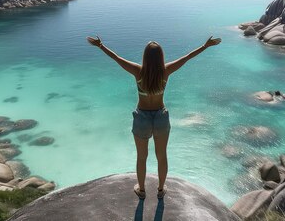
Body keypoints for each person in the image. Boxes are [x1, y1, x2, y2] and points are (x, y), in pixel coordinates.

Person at [87, 35, 221, 199]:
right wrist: (205, 46)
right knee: (162, 156)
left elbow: (116, 58)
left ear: (145, 56)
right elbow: (187, 57)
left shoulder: (138, 71)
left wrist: (101, 46)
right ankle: (160, 190)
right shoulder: (166, 71)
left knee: (141, 157)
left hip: (142, 117)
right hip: (160, 118)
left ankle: (142, 190)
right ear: (160, 57)